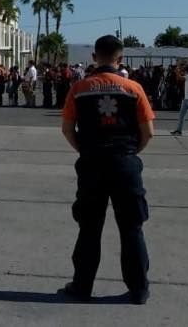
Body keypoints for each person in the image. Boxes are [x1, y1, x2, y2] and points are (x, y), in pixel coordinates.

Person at [60, 35, 154, 304]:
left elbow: (67, 129)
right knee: (132, 227)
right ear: (120, 59)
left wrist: (85, 150)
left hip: (91, 164)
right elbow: (148, 132)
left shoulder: (78, 88)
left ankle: (82, 286)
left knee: (89, 227)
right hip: (125, 164)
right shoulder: (133, 88)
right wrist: (130, 154)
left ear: (94, 57)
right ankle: (139, 289)